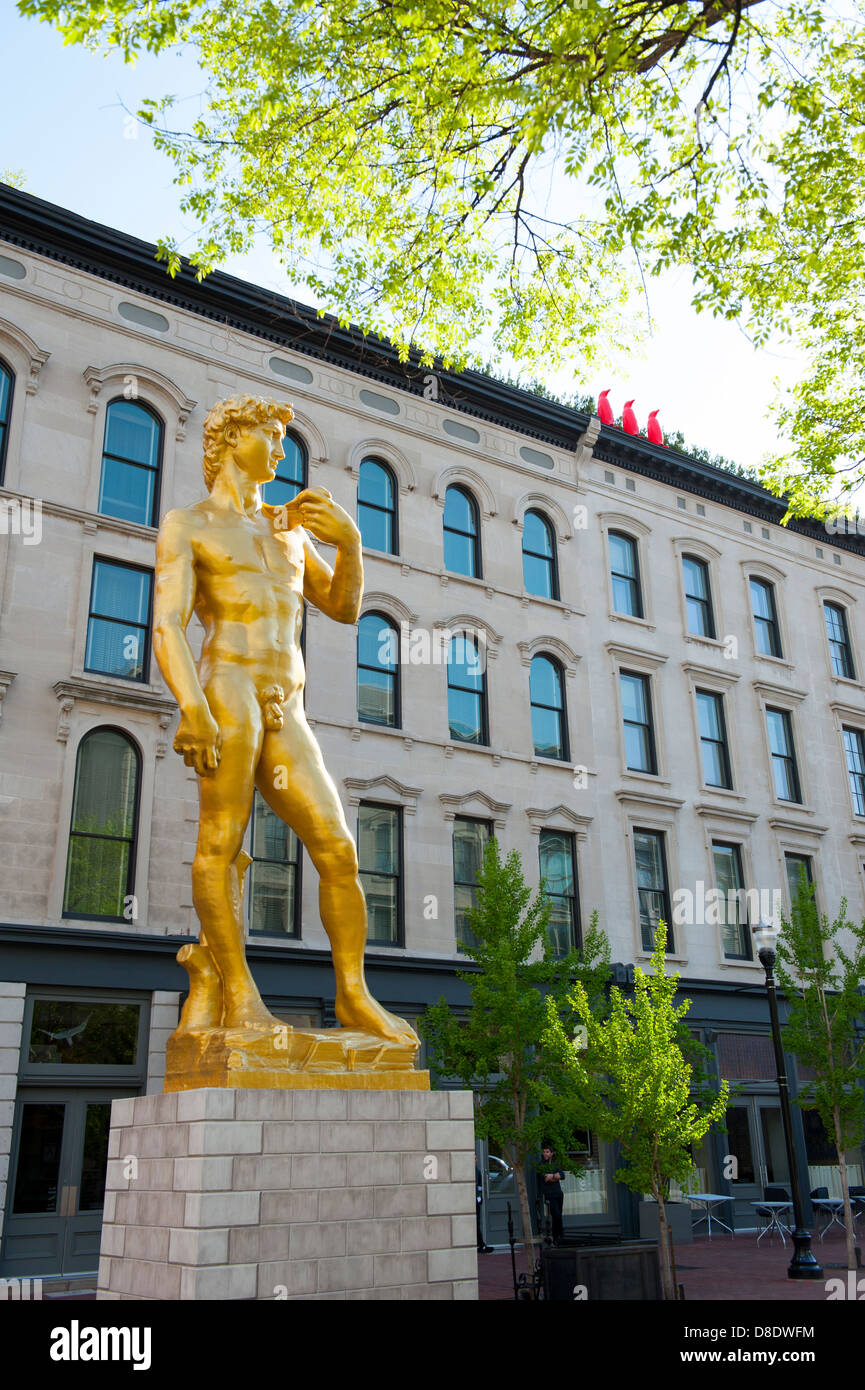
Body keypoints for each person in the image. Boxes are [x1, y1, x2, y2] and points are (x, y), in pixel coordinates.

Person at [153, 393, 418, 1046]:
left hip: (285, 704)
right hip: (227, 692)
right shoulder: (188, 524)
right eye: (269, 437)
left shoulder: (287, 527)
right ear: (229, 439)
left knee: (337, 848)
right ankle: (235, 992)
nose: (280, 449)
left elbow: (342, 606)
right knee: (222, 841)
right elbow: (166, 624)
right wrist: (192, 709)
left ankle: (354, 995)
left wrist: (351, 542)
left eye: (283, 438)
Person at [538, 1143, 565, 1245]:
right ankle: (560, 1235)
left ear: (552, 1153)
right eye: (544, 1152)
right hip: (549, 1194)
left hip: (559, 1193)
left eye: (547, 1152)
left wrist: (552, 1175)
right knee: (556, 1215)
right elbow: (546, 1178)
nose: (545, 1154)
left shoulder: (555, 1164)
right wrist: (555, 1176)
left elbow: (562, 1175)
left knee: (558, 1216)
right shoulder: (541, 1165)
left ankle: (557, 1238)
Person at [476, 1164, 494, 1253]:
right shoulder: (470, 1171)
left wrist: (479, 1196)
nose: (476, 1161)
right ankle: (481, 1244)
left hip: (476, 1201)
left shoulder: (477, 1171)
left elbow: (479, 1186)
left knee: (477, 1222)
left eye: (476, 1159)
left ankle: (481, 1244)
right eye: (474, 1158)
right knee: (475, 1223)